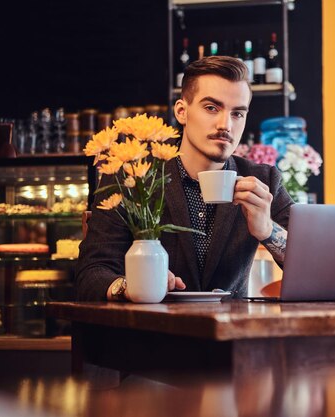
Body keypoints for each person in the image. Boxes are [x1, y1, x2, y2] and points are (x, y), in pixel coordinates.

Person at [76, 56, 293, 301]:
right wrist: (132, 286)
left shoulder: (263, 180)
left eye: (237, 114)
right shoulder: (132, 175)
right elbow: (91, 274)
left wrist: (268, 230)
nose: (226, 125)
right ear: (182, 111)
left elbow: (314, 264)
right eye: (212, 108)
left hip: (231, 333)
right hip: (155, 332)